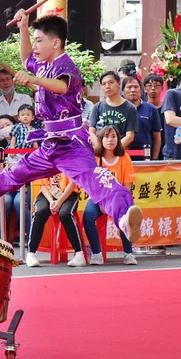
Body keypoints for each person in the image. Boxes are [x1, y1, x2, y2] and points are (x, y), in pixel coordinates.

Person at [0, 12, 142, 244]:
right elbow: (26, 59)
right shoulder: (42, 65)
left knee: (95, 179)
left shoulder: (67, 67)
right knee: (17, 171)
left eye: (39, 40)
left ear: (56, 42)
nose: (35, 45)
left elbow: (60, 87)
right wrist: (23, 27)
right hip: (50, 142)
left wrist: (34, 80)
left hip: (71, 143)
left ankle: (123, 218)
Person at [83, 126, 138, 266]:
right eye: (107, 137)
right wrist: (102, 203)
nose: (110, 140)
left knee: (126, 217)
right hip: (98, 198)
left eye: (114, 136)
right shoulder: (95, 158)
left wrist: (119, 202)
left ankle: (128, 254)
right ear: (101, 140)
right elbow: (91, 185)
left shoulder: (124, 158)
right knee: (88, 216)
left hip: (118, 198)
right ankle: (96, 253)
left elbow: (127, 186)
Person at [25, 174, 85, 267]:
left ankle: (79, 254)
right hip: (47, 194)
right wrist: (51, 201)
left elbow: (72, 183)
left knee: (65, 214)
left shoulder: (71, 160)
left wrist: (60, 201)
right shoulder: (44, 161)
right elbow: (42, 185)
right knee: (40, 212)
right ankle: (31, 253)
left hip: (68, 193)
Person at [89, 71, 137, 148]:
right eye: (104, 84)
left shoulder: (130, 108)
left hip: (120, 151)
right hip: (101, 153)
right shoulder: (97, 107)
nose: (107, 86)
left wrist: (113, 150)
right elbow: (91, 131)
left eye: (111, 82)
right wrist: (100, 148)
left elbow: (130, 136)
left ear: (119, 83)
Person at [0, 69, 33, 144]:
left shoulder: (25, 98)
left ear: (13, 81)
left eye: (8, 79)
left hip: (22, 142)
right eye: (1, 80)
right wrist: (17, 119)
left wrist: (1, 124)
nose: (5, 83)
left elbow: (27, 119)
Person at [123, 76, 162, 160]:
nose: (133, 90)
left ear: (141, 90)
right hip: (122, 158)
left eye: (136, 87)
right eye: (129, 87)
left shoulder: (151, 109)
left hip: (145, 159)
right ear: (123, 90)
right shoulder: (118, 109)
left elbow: (157, 137)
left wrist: (154, 159)